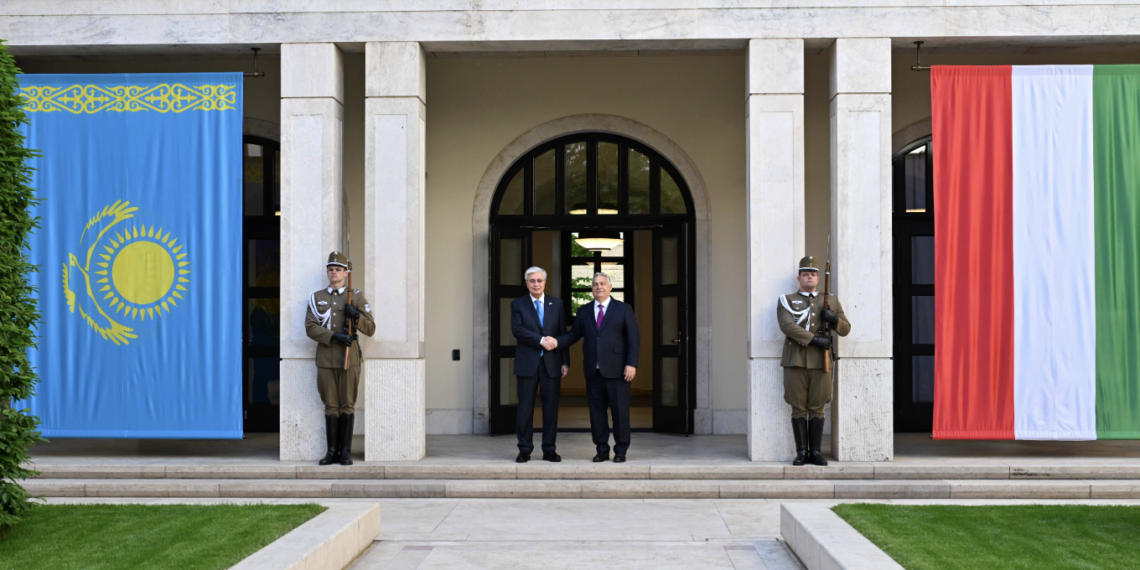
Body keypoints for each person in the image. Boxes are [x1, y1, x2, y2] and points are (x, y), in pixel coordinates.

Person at [553, 272, 640, 463]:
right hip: (593, 372)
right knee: (597, 414)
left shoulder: (623, 309)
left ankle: (620, 450)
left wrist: (631, 363)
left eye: (602, 284)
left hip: (618, 371)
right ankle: (601, 449)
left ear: (610, 287)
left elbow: (633, 339)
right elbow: (573, 335)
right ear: (591, 289)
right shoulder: (584, 311)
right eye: (594, 284)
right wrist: (556, 342)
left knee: (620, 413)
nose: (598, 287)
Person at [776, 255, 851, 467]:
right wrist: (814, 339)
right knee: (798, 406)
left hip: (822, 361)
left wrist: (834, 319)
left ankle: (815, 452)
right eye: (806, 274)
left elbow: (845, 329)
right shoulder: (786, 300)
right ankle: (801, 452)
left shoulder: (831, 301)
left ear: (818, 279)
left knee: (818, 407)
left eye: (813, 274)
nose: (810, 277)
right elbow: (787, 326)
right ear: (798, 278)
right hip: (796, 361)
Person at [305, 251, 375, 466]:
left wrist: (356, 315)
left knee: (347, 404)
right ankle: (331, 451)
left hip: (349, 358)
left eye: (338, 269)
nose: (333, 272)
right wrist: (334, 335)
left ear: (346, 273)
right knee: (331, 405)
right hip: (326, 358)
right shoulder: (317, 297)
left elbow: (370, 328)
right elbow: (310, 327)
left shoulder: (357, 296)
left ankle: (345, 451)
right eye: (331, 269)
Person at [509, 267, 570, 463]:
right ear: (526, 283)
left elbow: (562, 334)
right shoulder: (518, 304)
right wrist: (541, 340)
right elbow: (517, 330)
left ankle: (549, 449)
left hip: (552, 363)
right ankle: (524, 449)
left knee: (551, 409)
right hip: (527, 363)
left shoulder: (557, 304)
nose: (536, 284)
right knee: (525, 408)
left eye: (539, 280)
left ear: (545, 282)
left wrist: (565, 361)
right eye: (532, 281)